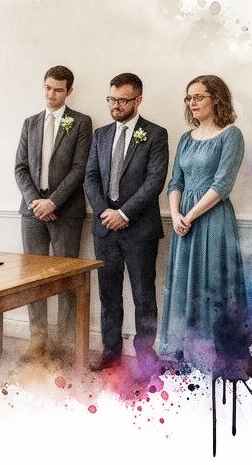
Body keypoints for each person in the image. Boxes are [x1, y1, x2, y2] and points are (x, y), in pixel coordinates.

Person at [159, 75, 252, 381]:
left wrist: (192, 214)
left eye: (199, 97)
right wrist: (175, 215)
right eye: (189, 98)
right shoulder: (186, 138)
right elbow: (175, 182)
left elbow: (222, 184)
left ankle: (217, 356)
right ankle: (185, 353)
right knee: (185, 284)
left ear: (216, 99)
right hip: (183, 223)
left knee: (212, 285)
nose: (193, 103)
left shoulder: (231, 135)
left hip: (212, 220)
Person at [84, 72, 169, 379]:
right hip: (105, 228)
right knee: (109, 293)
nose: (116, 105)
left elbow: (154, 181)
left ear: (138, 100)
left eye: (122, 100)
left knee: (143, 295)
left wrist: (125, 213)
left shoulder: (156, 135)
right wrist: (105, 211)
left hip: (139, 230)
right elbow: (90, 176)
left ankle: (146, 356)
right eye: (112, 99)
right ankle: (110, 350)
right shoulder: (101, 134)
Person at [13, 65, 92, 361]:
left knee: (64, 278)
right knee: (33, 279)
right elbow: (20, 168)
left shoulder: (81, 122)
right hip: (32, 211)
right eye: (48, 88)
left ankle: (65, 345)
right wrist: (36, 201)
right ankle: (38, 342)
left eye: (58, 89)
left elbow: (79, 168)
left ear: (69, 91)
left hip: (66, 211)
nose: (52, 94)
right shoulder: (30, 123)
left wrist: (53, 202)